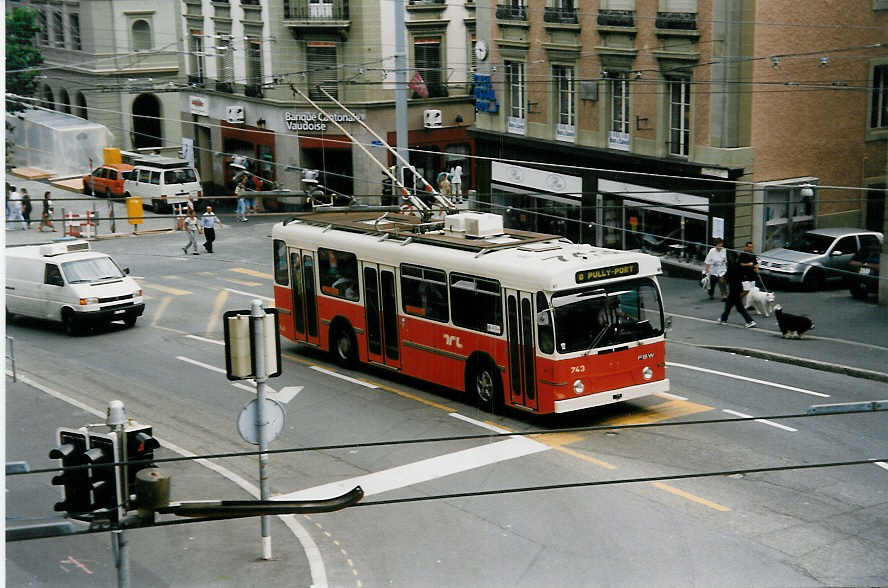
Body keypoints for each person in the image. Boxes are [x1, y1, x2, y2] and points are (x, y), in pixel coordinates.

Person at [718, 253, 757, 328]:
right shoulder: (739, 266)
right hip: (738, 287)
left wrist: (723, 278)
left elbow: (728, 276)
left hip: (733, 288)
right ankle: (723, 319)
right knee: (729, 305)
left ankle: (750, 321)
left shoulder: (731, 266)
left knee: (739, 307)